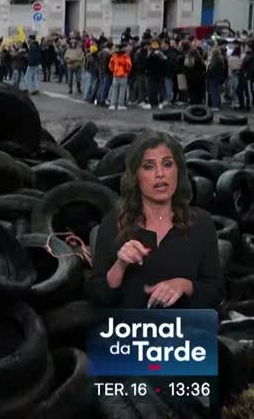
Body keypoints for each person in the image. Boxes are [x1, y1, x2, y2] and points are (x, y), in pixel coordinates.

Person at [86, 132, 223, 309]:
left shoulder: (202, 223)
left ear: (178, 170)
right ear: (135, 176)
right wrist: (120, 266)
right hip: (129, 332)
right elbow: (97, 297)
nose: (160, 174)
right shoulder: (114, 222)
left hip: (184, 332)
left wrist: (184, 285)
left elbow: (216, 292)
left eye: (167, 164)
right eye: (148, 166)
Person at [109, 44, 132, 111]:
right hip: (123, 75)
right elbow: (129, 65)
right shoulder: (126, 56)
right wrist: (127, 72)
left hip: (115, 75)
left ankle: (112, 104)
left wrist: (114, 71)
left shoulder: (114, 56)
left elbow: (110, 65)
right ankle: (120, 105)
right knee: (122, 90)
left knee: (114, 90)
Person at [206, 42, 226, 111]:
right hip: (218, 78)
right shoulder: (221, 61)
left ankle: (215, 106)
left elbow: (210, 71)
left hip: (212, 79)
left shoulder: (213, 63)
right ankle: (218, 105)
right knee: (217, 92)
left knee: (213, 92)